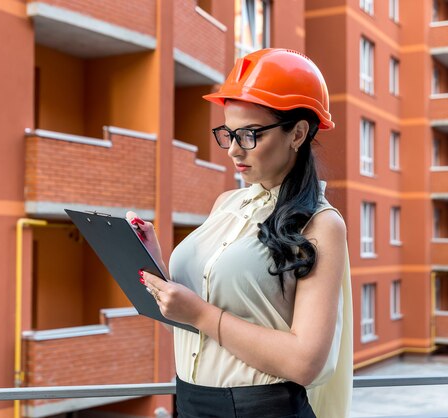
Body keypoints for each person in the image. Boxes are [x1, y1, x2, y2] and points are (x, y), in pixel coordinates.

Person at [127, 48, 353, 418]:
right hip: (190, 401)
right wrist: (153, 263)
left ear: (297, 133)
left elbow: (305, 362)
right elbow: (193, 318)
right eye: (228, 133)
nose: (233, 150)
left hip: (261, 410)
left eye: (249, 135)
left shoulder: (321, 224)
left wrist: (200, 315)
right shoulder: (225, 204)